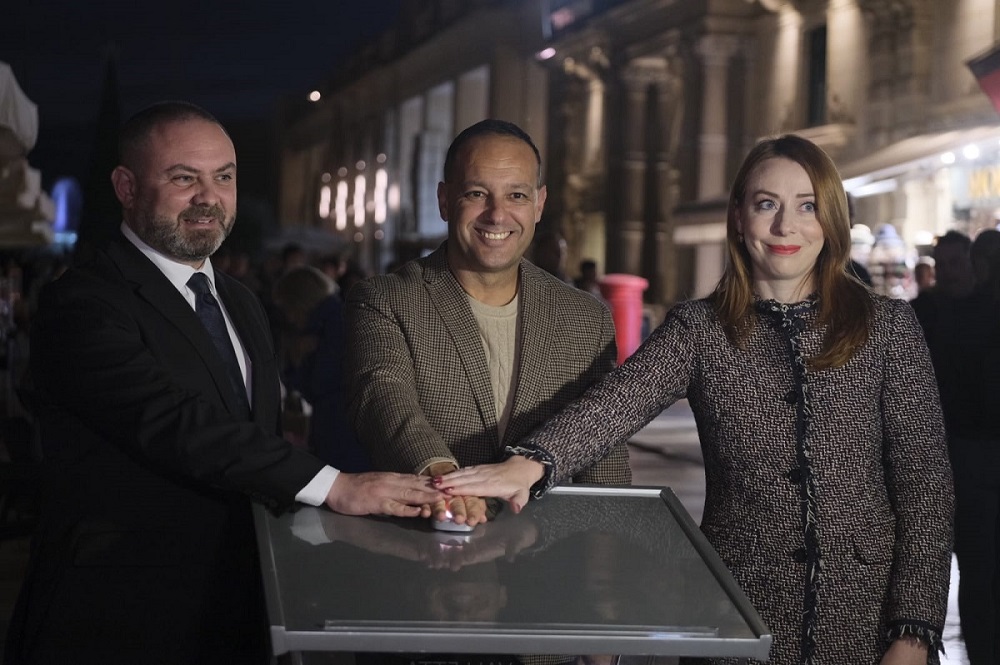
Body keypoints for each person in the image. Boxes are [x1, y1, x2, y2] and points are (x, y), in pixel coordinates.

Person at [439, 135, 954, 665]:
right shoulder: (700, 330)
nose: (785, 226)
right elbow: (612, 406)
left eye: (807, 206)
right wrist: (529, 465)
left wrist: (913, 633)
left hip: (869, 627)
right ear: (737, 217)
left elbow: (926, 489)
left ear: (831, 219)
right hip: (733, 616)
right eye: (766, 204)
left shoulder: (886, 327)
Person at [4, 101, 442, 665]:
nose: (208, 197)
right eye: (184, 178)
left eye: (225, 177)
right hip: (119, 617)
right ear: (126, 186)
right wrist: (334, 484)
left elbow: (250, 437)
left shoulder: (239, 300)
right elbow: (174, 421)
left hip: (239, 608)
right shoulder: (83, 303)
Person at [346, 119, 630, 530]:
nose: (497, 215)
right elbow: (384, 399)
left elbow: (604, 452)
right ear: (445, 200)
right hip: (427, 548)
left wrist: (611, 560)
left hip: (547, 559)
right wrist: (448, 482)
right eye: (477, 193)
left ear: (539, 204)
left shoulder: (586, 317)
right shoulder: (386, 299)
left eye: (516, 194)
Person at [931, 228, 1000, 664]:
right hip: (963, 452)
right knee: (976, 568)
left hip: (969, 451)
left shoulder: (971, 314)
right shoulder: (932, 313)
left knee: (978, 569)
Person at [272, 265, 371, 471]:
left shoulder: (330, 326)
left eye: (286, 308)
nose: (288, 317)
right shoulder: (335, 319)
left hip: (341, 432)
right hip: (343, 431)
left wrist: (298, 361)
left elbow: (320, 383)